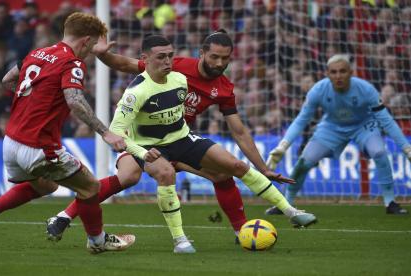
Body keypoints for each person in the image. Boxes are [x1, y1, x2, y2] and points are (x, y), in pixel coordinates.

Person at [46, 32, 317, 244]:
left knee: (223, 174)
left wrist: (263, 167)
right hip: (142, 140)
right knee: (128, 177)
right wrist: (104, 55)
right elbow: (126, 64)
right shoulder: (174, 65)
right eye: (214, 57)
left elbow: (239, 131)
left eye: (225, 59)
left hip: (179, 139)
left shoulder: (224, 88)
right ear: (203, 54)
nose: (219, 63)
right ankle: (64, 215)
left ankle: (241, 231)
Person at [0, 12, 135, 254]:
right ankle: (97, 241)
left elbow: (7, 79)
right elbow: (74, 101)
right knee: (90, 188)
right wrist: (105, 133)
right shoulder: (73, 63)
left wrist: (37, 102)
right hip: (39, 146)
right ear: (85, 41)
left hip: (11, 142)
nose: (90, 51)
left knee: (46, 186)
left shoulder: (37, 53)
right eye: (92, 45)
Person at [265, 54, 411, 215]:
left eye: (342, 71)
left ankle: (390, 202)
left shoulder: (366, 89)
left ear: (351, 72)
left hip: (364, 126)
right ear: (327, 74)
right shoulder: (319, 90)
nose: (338, 76)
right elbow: (301, 120)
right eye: (333, 72)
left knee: (379, 152)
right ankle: (285, 203)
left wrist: (406, 148)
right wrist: (283, 145)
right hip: (331, 127)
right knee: (304, 161)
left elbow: (387, 120)